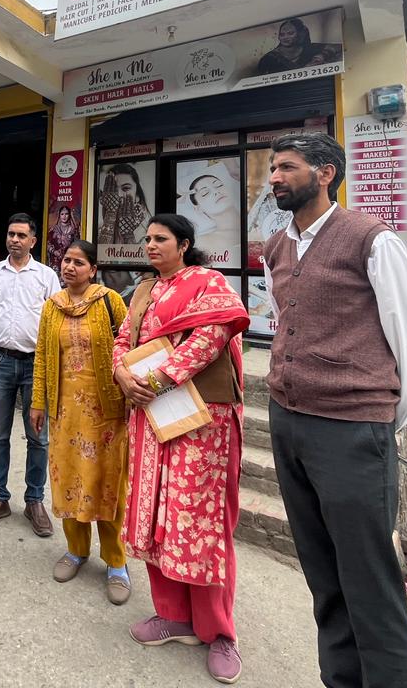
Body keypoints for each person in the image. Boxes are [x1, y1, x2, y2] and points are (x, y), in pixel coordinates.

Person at [262, 132, 407, 688]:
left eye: (286, 168)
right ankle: (340, 679)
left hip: (351, 430)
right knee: (322, 572)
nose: (273, 178)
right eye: (271, 169)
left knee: (369, 579)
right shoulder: (277, 246)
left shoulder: (370, 239)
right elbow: (287, 318)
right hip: (289, 420)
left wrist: (385, 414)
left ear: (324, 173)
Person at [114, 214, 249, 685]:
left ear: (184, 244)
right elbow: (123, 341)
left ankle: (219, 633)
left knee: (201, 521)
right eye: (146, 239)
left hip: (201, 421)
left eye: (160, 239)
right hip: (151, 417)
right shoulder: (142, 291)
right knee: (157, 515)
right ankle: (173, 616)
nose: (150, 245)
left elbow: (211, 339)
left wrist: (152, 380)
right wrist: (123, 377)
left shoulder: (207, 282)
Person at [29, 240, 131, 605]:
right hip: (65, 412)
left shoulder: (109, 301)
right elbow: (42, 356)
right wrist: (38, 402)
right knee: (70, 478)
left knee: (107, 483)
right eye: (65, 260)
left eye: (78, 262)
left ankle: (116, 562)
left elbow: (130, 347)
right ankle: (76, 550)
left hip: (107, 413)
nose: (69, 267)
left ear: (93, 269)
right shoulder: (52, 307)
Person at [0, 213, 61, 535]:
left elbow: (56, 323)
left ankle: (34, 500)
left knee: (38, 437)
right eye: (11, 234)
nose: (15, 240)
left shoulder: (47, 276)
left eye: (22, 235)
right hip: (0, 363)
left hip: (36, 365)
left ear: (33, 241)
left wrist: (54, 366)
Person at [256, 18, 341, 76]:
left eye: (290, 33)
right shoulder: (269, 58)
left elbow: (338, 47)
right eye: (282, 34)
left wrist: (322, 56)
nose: (285, 37)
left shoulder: (308, 49)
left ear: (300, 34)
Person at [98, 163, 151, 249]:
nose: (118, 195)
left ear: (137, 194)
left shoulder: (147, 231)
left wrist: (127, 233)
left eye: (126, 188)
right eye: (114, 190)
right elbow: (102, 254)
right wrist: (110, 214)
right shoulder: (100, 228)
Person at [46, 204, 78, 273]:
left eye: (66, 214)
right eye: (62, 214)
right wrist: (54, 252)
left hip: (69, 261)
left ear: (69, 215)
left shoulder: (73, 230)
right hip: (55, 261)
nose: (64, 216)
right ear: (59, 215)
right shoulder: (53, 230)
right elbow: (47, 245)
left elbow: (77, 245)